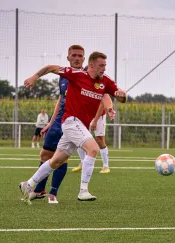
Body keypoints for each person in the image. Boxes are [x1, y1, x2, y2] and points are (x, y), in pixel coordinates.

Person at [19, 51, 127, 202]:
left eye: (105, 65)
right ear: (91, 65)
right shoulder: (76, 75)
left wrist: (121, 96)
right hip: (70, 121)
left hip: (81, 125)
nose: (104, 68)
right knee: (93, 149)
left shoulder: (105, 81)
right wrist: (34, 77)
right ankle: (83, 191)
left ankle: (28, 184)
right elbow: (51, 67)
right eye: (101, 65)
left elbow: (116, 95)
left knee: (56, 161)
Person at [31, 45, 85, 204]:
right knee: (45, 155)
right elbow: (61, 99)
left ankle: (53, 194)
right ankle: (40, 189)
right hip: (58, 121)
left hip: (73, 121)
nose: (77, 58)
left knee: (62, 158)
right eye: (74, 55)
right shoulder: (64, 75)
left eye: (80, 56)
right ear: (68, 58)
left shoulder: (85, 76)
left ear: (83, 59)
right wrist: (50, 122)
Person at [73, 85, 112, 174]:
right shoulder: (83, 82)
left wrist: (95, 121)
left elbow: (102, 104)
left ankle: (106, 166)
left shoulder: (101, 84)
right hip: (86, 114)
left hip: (99, 116)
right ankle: (83, 163)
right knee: (80, 138)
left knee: (99, 140)